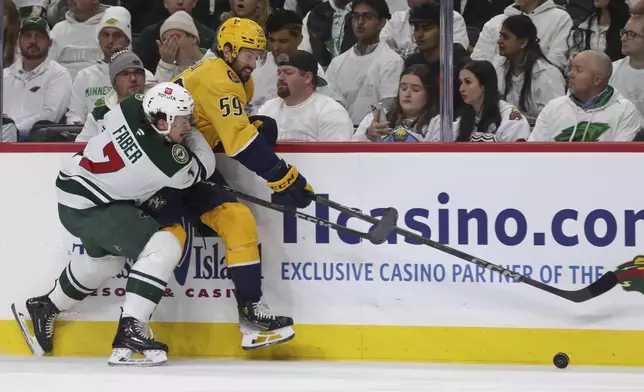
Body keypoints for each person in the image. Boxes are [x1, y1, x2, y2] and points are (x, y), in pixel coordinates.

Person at [12, 82, 217, 367]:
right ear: (161, 120)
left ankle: (46, 305)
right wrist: (194, 133)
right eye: (183, 119)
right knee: (164, 246)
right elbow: (204, 165)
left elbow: (118, 106)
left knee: (106, 263)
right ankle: (131, 330)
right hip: (92, 207)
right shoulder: (167, 162)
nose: (189, 124)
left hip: (74, 193)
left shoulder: (130, 107)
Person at [152, 17, 314, 350]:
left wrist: (257, 136)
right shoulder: (217, 77)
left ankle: (252, 315)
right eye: (248, 55)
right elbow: (239, 141)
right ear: (226, 50)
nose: (253, 63)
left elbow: (222, 133)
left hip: (189, 164)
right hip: (161, 169)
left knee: (238, 220)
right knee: (163, 243)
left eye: (258, 56)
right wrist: (282, 175)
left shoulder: (236, 81)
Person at [529, 50, 640, 141]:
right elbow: (534, 152)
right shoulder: (554, 107)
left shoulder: (624, 110)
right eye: (571, 68)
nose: (569, 74)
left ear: (597, 80)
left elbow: (622, 158)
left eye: (578, 70)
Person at [495, 15, 565, 125]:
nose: (499, 41)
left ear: (523, 42)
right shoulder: (498, 69)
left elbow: (556, 119)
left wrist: (520, 124)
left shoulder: (548, 74)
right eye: (500, 36)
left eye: (506, 37)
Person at [353, 63, 441, 142]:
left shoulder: (437, 123)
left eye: (415, 90)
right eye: (403, 88)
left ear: (429, 94)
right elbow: (352, 149)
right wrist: (368, 134)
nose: (407, 94)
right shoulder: (375, 118)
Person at [452, 60, 532, 142]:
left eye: (468, 82)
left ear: (484, 85)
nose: (461, 89)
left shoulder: (509, 116)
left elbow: (518, 152)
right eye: (461, 83)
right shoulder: (463, 119)